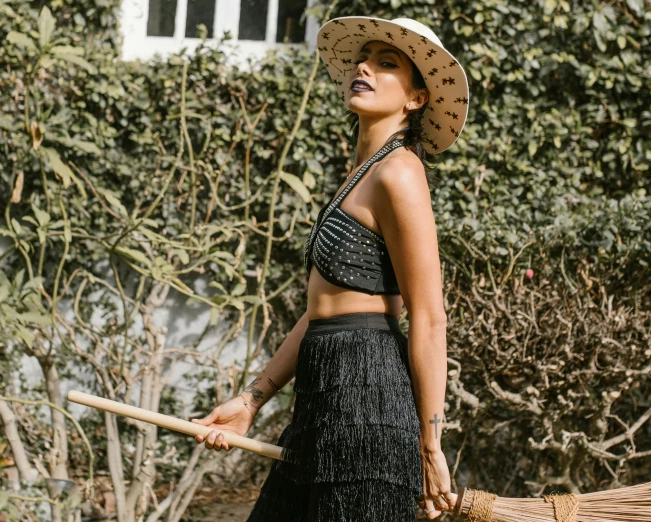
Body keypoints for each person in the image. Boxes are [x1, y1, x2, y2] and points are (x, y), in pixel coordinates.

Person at [190, 16, 469, 521]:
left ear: (416, 99)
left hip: (368, 402)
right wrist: (252, 400)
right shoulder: (361, 173)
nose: (364, 67)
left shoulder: (400, 173)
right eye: (365, 59)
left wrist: (430, 446)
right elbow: (323, 312)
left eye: (388, 64)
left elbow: (428, 316)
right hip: (323, 395)